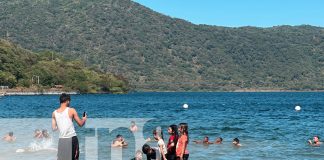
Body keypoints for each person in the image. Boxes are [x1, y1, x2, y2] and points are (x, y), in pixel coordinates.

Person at [52, 93, 87, 160]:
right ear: (67, 101)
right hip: (72, 139)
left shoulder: (54, 113)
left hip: (62, 140)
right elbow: (80, 124)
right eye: (69, 101)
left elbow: (54, 128)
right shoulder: (71, 110)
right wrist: (84, 119)